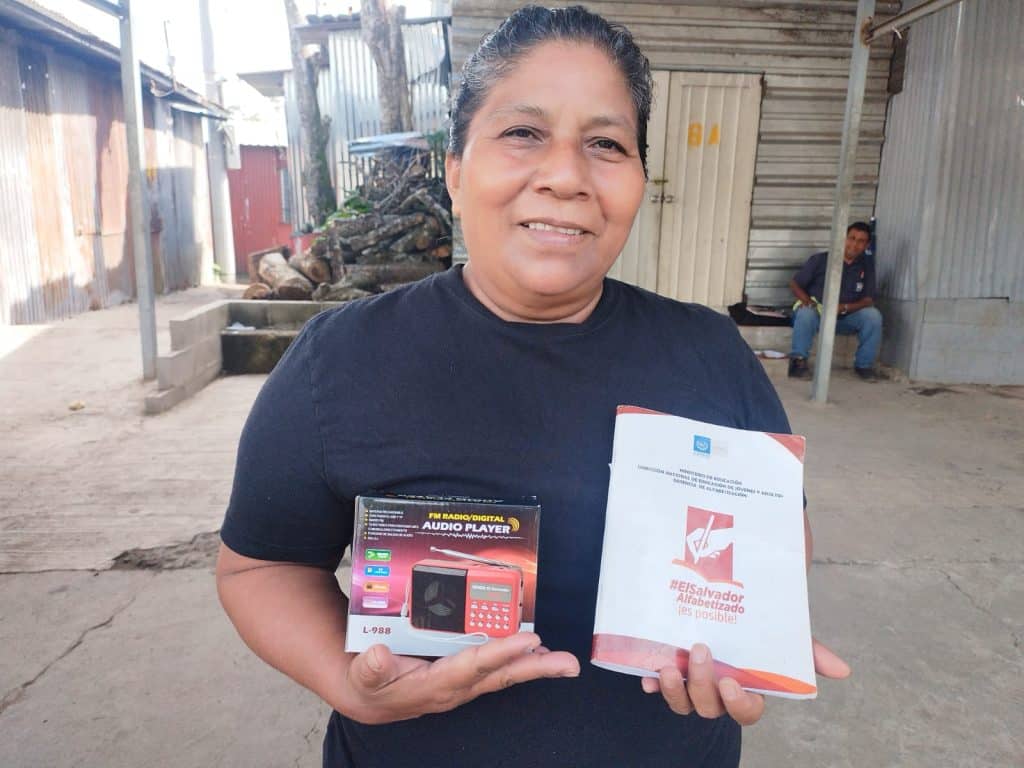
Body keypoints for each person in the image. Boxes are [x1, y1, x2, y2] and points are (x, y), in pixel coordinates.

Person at [216, 6, 849, 767]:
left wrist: (745, 639)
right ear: (456, 171)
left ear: (640, 181)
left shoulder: (711, 354)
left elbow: (778, 540)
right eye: (522, 134)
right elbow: (262, 566)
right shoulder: (342, 359)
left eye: (605, 144)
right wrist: (348, 685)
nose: (565, 177)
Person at [788, 222, 883, 381]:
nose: (855, 244)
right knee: (805, 313)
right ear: (843, 239)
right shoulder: (820, 260)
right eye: (852, 238)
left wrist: (845, 307)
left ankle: (864, 366)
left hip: (846, 317)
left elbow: (868, 299)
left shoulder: (866, 265)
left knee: (873, 316)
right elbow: (794, 283)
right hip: (818, 314)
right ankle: (798, 362)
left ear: (866, 245)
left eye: (861, 241)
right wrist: (807, 301)